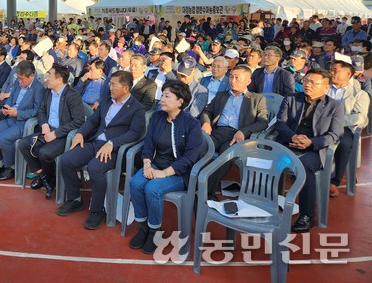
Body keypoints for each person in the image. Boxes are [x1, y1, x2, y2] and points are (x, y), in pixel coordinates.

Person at [56, 71, 145, 230]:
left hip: (114, 150)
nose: (110, 87)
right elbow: (92, 121)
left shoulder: (137, 108)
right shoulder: (106, 101)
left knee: (95, 168)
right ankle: (75, 199)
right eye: (110, 84)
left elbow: (135, 133)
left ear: (125, 88)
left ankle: (97, 210)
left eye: (113, 85)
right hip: (95, 142)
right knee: (66, 160)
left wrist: (112, 143)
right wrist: (80, 134)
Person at [129, 80, 203, 254]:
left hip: (179, 172)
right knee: (135, 183)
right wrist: (147, 163)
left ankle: (155, 230)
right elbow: (148, 144)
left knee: (152, 188)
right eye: (162, 95)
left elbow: (190, 158)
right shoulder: (157, 117)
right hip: (156, 164)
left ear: (180, 101)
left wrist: (164, 173)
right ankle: (143, 227)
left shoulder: (192, 124)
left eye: (167, 96)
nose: (161, 99)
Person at [274, 69, 345, 232]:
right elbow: (280, 123)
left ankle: (307, 215)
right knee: (265, 158)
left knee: (303, 166)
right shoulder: (291, 98)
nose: (307, 85)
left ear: (326, 87)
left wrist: (311, 142)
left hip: (314, 149)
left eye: (313, 82)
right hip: (289, 142)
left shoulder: (335, 106)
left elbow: (335, 135)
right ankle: (264, 203)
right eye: (306, 81)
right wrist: (293, 137)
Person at [199, 65, 268, 196]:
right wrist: (207, 123)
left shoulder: (257, 99)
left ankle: (206, 192)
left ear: (248, 81)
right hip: (216, 132)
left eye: (237, 78)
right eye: (231, 77)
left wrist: (244, 131)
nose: (233, 80)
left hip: (236, 136)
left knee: (226, 156)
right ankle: (193, 183)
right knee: (199, 148)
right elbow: (207, 111)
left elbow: (263, 122)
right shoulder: (221, 95)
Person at [18, 64, 85, 199]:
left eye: (50, 75)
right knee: (23, 144)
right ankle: (46, 177)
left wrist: (56, 133)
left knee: (45, 153)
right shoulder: (48, 92)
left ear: (59, 79)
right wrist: (44, 125)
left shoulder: (72, 95)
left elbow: (78, 121)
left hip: (63, 135)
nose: (46, 78)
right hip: (48, 130)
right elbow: (42, 110)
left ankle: (48, 178)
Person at [0, 60, 45, 181]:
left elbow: (37, 111)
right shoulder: (17, 83)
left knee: (3, 138)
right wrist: (6, 107)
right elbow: (10, 98)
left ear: (31, 76)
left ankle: (11, 166)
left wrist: (18, 113)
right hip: (10, 118)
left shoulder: (39, 88)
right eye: (18, 78)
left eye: (22, 79)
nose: (20, 82)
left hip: (24, 123)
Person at [328, 61, 370, 197]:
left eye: (336, 70)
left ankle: (334, 180)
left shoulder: (359, 94)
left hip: (343, 128)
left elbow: (360, 117)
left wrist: (335, 121)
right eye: (331, 70)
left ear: (348, 74)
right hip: (319, 125)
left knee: (344, 144)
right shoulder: (324, 88)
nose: (332, 73)